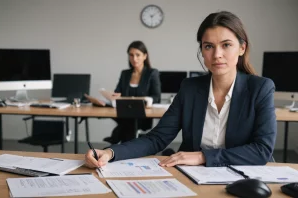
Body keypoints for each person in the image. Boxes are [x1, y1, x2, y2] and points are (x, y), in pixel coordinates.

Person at [86, 11, 277, 168]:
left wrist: (203, 157)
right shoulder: (190, 88)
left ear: (242, 48)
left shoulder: (260, 88)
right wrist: (111, 152)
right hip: (194, 177)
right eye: (209, 46)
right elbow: (157, 138)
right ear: (202, 51)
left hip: (244, 178)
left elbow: (261, 150)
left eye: (226, 45)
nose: (217, 54)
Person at [103, 41, 161, 144]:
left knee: (128, 123)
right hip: (124, 114)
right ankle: (122, 143)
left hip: (142, 116)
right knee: (125, 120)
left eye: (137, 55)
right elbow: (118, 92)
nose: (134, 59)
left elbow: (156, 96)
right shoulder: (125, 74)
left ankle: (116, 137)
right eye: (131, 55)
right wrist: (115, 95)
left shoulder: (152, 73)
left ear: (145, 56)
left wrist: (146, 100)